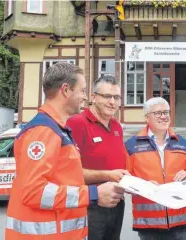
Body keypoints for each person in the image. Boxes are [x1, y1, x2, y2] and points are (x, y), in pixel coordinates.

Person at [6, 63, 125, 240]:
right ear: (66, 90)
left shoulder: (56, 129)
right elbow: (34, 192)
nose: (85, 98)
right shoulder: (44, 131)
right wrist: (93, 194)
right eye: (82, 91)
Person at [125, 97, 186, 240]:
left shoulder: (183, 143)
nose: (164, 116)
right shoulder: (131, 145)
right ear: (147, 117)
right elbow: (124, 179)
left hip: (179, 220)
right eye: (158, 113)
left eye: (166, 112)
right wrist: (144, 186)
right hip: (148, 223)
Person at [66, 75, 129, 240]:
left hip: (117, 204)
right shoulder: (77, 123)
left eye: (116, 97)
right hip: (91, 205)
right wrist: (107, 175)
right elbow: (69, 172)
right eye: (107, 96)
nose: (112, 102)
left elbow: (120, 165)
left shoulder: (116, 126)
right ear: (93, 97)